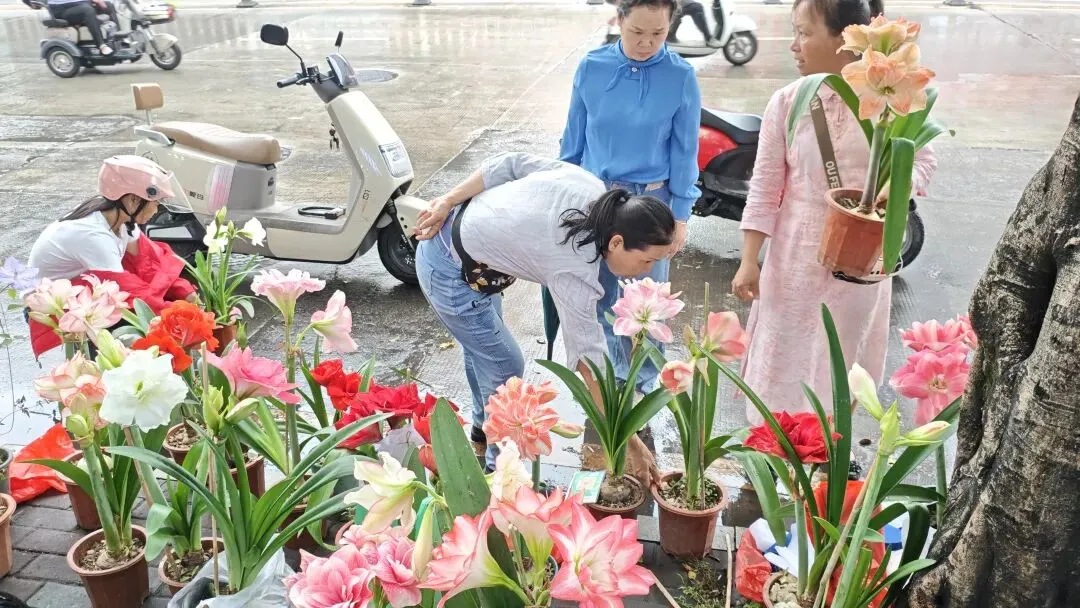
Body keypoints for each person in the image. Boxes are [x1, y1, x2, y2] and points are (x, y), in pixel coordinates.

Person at [730, 0, 938, 423]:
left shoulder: (893, 98)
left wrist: (895, 186)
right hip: (793, 260)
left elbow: (922, 160)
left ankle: (829, 449)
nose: (794, 45)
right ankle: (774, 444)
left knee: (841, 362)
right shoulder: (788, 103)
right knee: (783, 358)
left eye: (804, 33)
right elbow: (766, 186)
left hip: (860, 261)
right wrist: (749, 260)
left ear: (844, 39)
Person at [412, 152, 673, 484]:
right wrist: (631, 442)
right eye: (647, 261)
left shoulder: (592, 189)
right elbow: (590, 363)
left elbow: (511, 163)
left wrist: (450, 200)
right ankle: (499, 476)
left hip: (476, 262)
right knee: (504, 364)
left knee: (483, 351)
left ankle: (482, 428)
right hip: (448, 269)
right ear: (617, 242)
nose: (647, 271)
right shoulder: (573, 266)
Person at [559, 0, 701, 393]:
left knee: (647, 303)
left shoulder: (681, 76)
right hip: (598, 198)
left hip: (652, 203)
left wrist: (680, 216)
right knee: (599, 294)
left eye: (658, 34)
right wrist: (561, 199)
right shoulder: (592, 68)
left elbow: (685, 152)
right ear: (619, 20)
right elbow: (571, 144)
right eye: (637, 32)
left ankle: (645, 384)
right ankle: (609, 381)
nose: (647, 43)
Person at [28, 155, 197, 355]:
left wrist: (186, 293)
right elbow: (128, 294)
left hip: (83, 292)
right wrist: (184, 315)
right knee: (120, 346)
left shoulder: (119, 219)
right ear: (133, 200)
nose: (156, 209)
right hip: (54, 308)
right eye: (156, 202)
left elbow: (150, 260)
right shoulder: (94, 236)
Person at [46, 0, 115, 55]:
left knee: (109, 5)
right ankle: (101, 45)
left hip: (80, 3)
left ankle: (116, 38)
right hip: (61, 8)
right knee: (88, 10)